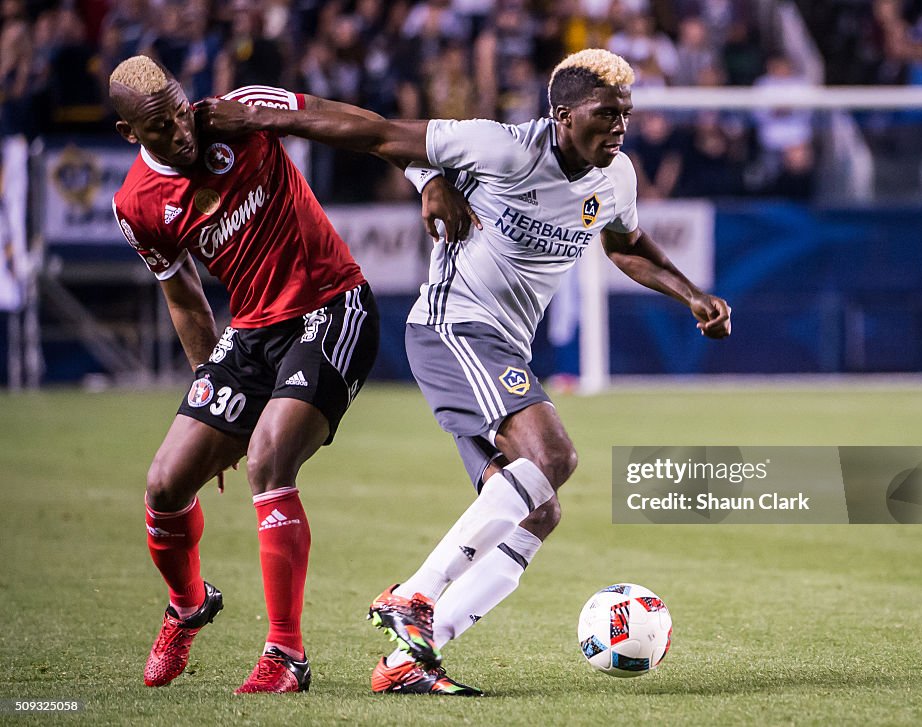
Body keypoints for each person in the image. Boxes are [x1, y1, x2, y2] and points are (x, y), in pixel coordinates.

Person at [198, 47, 732, 696]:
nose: (621, 127)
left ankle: (409, 659)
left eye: (626, 114)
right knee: (553, 455)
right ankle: (414, 596)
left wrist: (690, 293)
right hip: (454, 330)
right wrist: (265, 117)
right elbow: (379, 134)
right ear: (562, 115)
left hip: (502, 347)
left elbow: (625, 244)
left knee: (538, 509)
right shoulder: (501, 147)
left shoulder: (615, 176)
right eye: (607, 114)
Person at [109, 55, 474, 694]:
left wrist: (424, 177)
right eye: (161, 127)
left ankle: (286, 656)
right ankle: (189, 606)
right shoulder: (136, 205)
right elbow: (186, 298)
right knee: (165, 484)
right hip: (251, 332)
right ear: (130, 135)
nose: (183, 130)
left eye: (179, 109)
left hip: (333, 307)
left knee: (268, 461)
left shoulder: (239, 111)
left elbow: (352, 125)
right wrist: (211, 395)